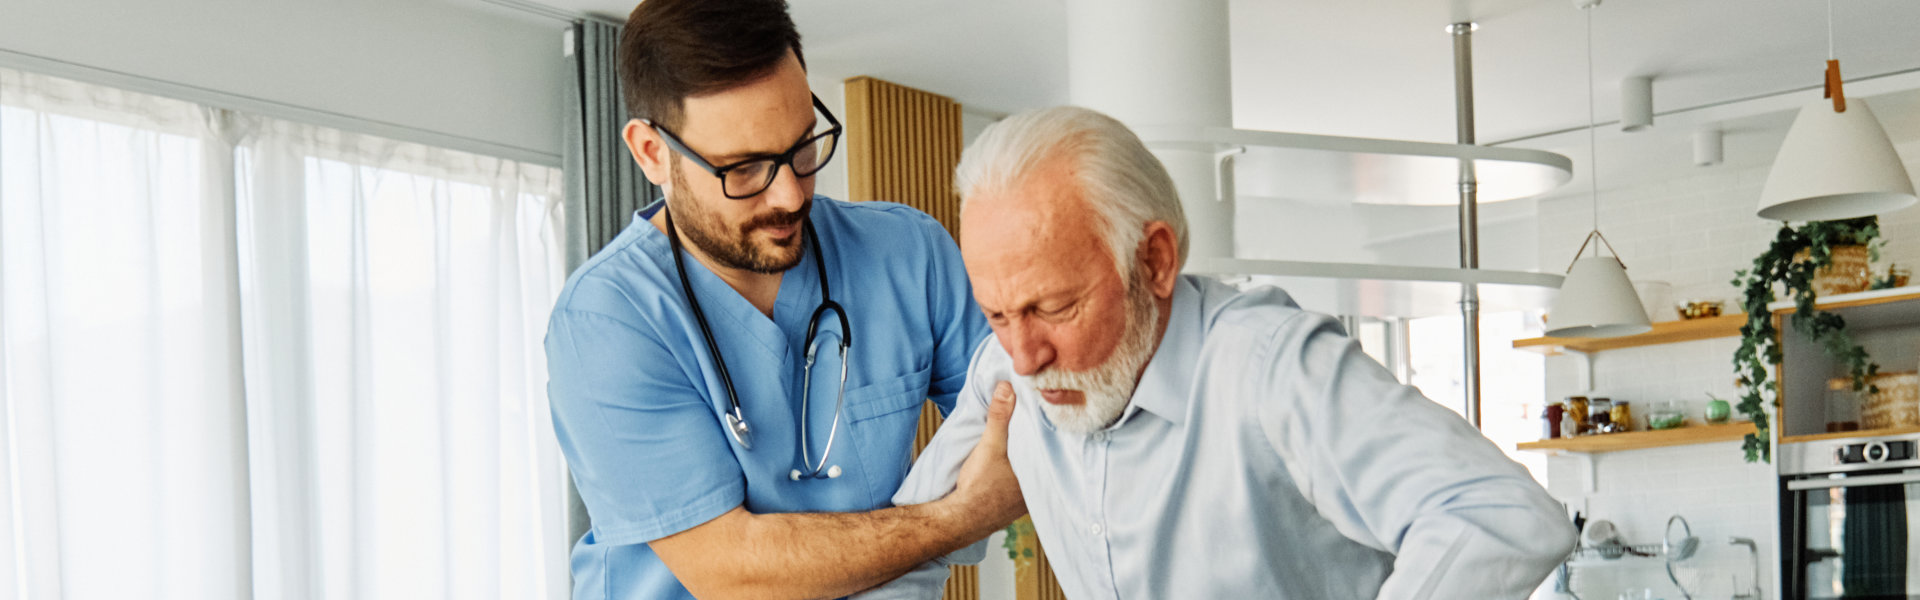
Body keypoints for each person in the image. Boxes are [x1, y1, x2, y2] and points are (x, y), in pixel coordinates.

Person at [882, 106, 1577, 599]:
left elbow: (1499, 514)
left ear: (1154, 261)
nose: (1026, 354)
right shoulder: (1005, 375)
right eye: (996, 315)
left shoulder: (1268, 366)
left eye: (1055, 308)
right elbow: (903, 556)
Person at [543, 1, 1024, 598]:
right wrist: (960, 518)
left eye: (802, 148)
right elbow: (732, 570)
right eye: (743, 170)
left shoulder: (908, 253)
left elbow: (1021, 413)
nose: (792, 195)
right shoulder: (605, 320)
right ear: (651, 153)